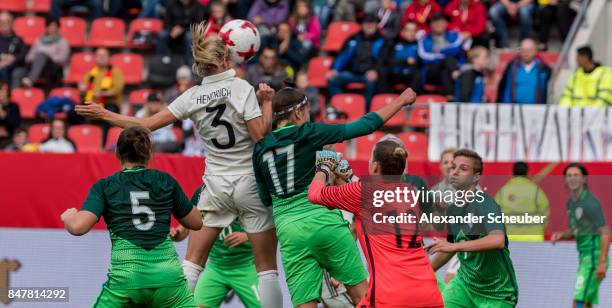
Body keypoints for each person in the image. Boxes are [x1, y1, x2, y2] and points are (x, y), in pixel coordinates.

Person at [75, 22, 284, 308]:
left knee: (193, 263)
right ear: (225, 59)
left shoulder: (192, 96)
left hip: (216, 185)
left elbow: (146, 125)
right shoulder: (242, 88)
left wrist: (104, 113)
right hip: (248, 181)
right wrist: (267, 103)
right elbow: (260, 136)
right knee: (267, 268)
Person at [252, 86, 417, 307]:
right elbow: (365, 125)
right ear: (299, 113)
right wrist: (401, 101)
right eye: (308, 110)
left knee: (304, 304)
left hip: (289, 232)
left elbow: (265, 200)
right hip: (323, 221)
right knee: (363, 296)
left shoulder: (260, 148)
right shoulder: (308, 132)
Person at [60, 126, 202, 307]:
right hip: (168, 279)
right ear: (149, 153)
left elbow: (78, 227)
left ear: (117, 153)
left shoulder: (106, 186)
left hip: (127, 280)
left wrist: (69, 217)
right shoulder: (166, 180)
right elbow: (196, 222)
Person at [307, 143, 444, 307]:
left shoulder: (362, 192)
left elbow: (315, 194)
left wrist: (324, 168)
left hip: (391, 294)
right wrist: (350, 176)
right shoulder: (409, 192)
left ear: (375, 166)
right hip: (428, 291)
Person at [427, 149, 519, 308]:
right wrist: (424, 271)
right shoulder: (453, 208)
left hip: (497, 293)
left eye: (463, 169)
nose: (454, 172)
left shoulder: (486, 204)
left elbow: (498, 240)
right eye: (453, 167)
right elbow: (449, 246)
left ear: (476, 177)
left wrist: (454, 246)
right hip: (464, 286)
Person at [171, 184, 261, 308]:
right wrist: (177, 234)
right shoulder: (203, 192)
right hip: (216, 268)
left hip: (246, 266)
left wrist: (247, 235)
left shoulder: (245, 191)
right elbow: (187, 226)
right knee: (193, 305)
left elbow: (269, 224)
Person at [552, 163, 610, 308]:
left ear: (584, 179)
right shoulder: (571, 203)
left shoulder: (590, 203)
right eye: (569, 176)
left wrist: (601, 262)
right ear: (565, 179)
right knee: (586, 302)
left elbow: (606, 232)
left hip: (593, 259)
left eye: (576, 175)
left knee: (578, 302)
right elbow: (576, 231)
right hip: (584, 257)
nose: (572, 179)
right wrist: (561, 235)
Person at [327, 14, 385, 112]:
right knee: (333, 79)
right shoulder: (353, 38)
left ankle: (366, 113)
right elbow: (343, 55)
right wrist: (335, 69)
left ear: (376, 25)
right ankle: (340, 108)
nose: (369, 26)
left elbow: (383, 60)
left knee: (371, 83)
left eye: (372, 23)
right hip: (352, 72)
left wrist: (375, 71)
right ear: (362, 25)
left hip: (368, 74)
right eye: (367, 23)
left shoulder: (382, 40)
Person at [495, 162, 549, 242]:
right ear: (527, 172)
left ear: (513, 172)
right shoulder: (536, 191)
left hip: (509, 239)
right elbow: (545, 213)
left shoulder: (503, 191)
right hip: (533, 239)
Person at [417, 12, 464, 100]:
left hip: (448, 69)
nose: (438, 24)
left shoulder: (455, 35)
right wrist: (444, 56)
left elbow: (456, 49)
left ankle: (449, 97)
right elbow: (423, 57)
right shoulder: (424, 39)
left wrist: (439, 51)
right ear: (430, 25)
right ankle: (454, 72)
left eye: (441, 22)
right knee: (447, 61)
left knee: (445, 71)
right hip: (433, 70)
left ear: (447, 23)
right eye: (435, 22)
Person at [17, 17, 70, 89]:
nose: (52, 28)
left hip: (53, 69)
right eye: (50, 26)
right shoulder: (39, 40)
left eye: (54, 26)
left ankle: (30, 80)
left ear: (58, 28)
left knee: (41, 55)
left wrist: (48, 56)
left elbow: (63, 58)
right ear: (46, 27)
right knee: (18, 72)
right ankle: (15, 95)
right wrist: (32, 58)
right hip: (37, 66)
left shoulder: (62, 41)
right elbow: (30, 55)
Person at [497, 38, 551, 104]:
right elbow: (502, 88)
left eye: (529, 50)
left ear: (535, 51)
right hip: (513, 110)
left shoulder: (544, 69)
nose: (526, 53)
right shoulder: (512, 67)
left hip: (536, 110)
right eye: (523, 50)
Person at [157, 0, 206, 66]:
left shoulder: (197, 6)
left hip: (189, 30)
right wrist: (173, 28)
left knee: (189, 36)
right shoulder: (171, 4)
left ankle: (189, 63)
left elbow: (198, 24)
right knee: (162, 35)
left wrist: (182, 29)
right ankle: (160, 61)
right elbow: (166, 21)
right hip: (173, 29)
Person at [79, 48, 125, 114]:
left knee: (109, 112)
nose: (101, 58)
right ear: (95, 58)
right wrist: (82, 90)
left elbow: (117, 90)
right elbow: (82, 92)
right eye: (99, 56)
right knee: (75, 112)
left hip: (108, 103)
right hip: (91, 102)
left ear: (109, 58)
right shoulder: (90, 73)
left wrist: (102, 93)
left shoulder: (115, 72)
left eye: (103, 56)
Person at [379, 21, 420, 94]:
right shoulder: (393, 43)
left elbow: (419, 63)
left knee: (418, 74)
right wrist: (405, 61)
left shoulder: (418, 44)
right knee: (383, 72)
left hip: (409, 75)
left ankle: (412, 100)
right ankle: (385, 98)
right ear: (403, 31)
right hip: (393, 74)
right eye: (409, 30)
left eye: (414, 30)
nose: (412, 33)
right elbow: (386, 60)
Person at [0, 12, 27, 86]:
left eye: (7, 21)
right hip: (1, 65)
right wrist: (2, 58)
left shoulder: (18, 39)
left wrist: (14, 58)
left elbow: (23, 55)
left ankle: (8, 94)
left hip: (15, 66)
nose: (4, 24)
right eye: (1, 22)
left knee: (13, 72)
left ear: (12, 23)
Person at [0, 80, 20, 147]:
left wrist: (3, 114)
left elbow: (15, 125)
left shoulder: (13, 106)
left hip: (9, 138)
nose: (0, 93)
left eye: (2, 90)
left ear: (8, 92)